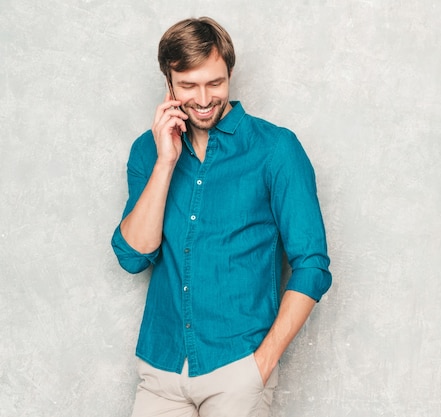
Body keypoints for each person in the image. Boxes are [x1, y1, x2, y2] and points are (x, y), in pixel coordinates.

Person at [111, 16, 332, 417]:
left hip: (237, 369)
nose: (203, 98)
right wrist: (165, 163)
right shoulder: (148, 150)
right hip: (160, 368)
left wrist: (261, 365)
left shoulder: (276, 149)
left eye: (215, 83)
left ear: (230, 72)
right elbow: (133, 256)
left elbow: (312, 265)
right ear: (168, 82)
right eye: (188, 86)